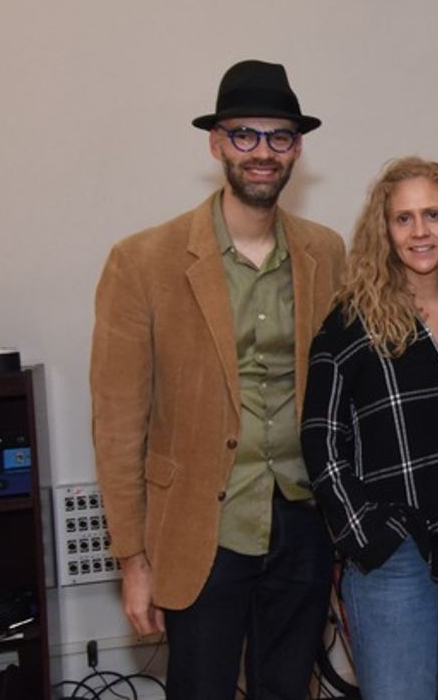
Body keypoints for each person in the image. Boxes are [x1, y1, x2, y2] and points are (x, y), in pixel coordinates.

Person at [91, 60, 345, 700]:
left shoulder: (327, 253)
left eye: (279, 137)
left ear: (297, 149)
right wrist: (132, 561)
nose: (263, 153)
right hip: (201, 529)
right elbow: (118, 426)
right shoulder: (142, 262)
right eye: (245, 136)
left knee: (287, 690)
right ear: (216, 143)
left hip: (304, 525)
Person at [300, 157, 438, 699]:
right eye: (404, 218)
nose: (420, 231)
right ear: (384, 231)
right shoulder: (349, 324)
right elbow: (320, 440)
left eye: (433, 215)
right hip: (393, 559)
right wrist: (368, 538)